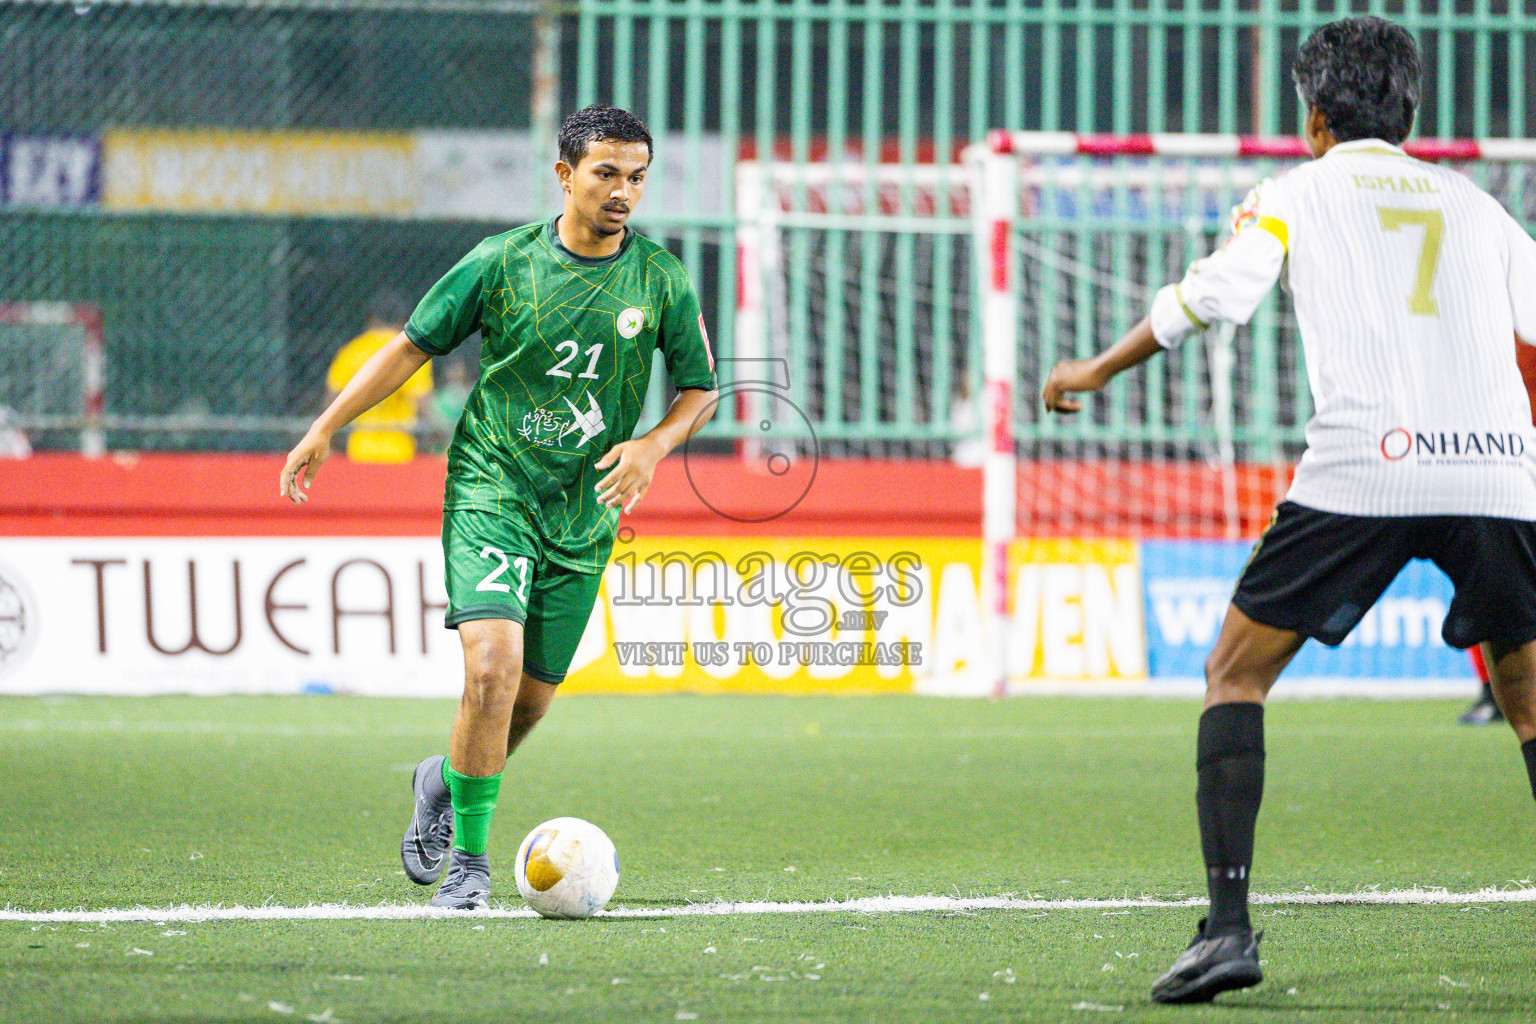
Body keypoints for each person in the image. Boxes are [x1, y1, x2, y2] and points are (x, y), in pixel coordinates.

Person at [1042, 16, 1536, 1004]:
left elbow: (1216, 296)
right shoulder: (1479, 207)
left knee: (1234, 670)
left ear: (1312, 116)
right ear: (1410, 110)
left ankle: (1227, 930)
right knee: (1530, 705)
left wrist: (1093, 368)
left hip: (1365, 469)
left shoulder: (1294, 194)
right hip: (1497, 473)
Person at [279, 105, 719, 909]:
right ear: (565, 175)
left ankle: (441, 780)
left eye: (637, 177)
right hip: (492, 488)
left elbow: (701, 389)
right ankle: (471, 871)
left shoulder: (659, 277)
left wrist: (654, 445)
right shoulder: (501, 262)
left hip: (583, 511)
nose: (624, 191)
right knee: (491, 667)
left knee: (529, 701)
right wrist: (324, 428)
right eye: (607, 174)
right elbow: (411, 345)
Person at [325, 290, 432, 463]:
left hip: (359, 451)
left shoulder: (350, 352)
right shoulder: (411, 353)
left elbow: (330, 405)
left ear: (370, 319)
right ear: (402, 320)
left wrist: (332, 445)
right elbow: (424, 407)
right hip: (400, 451)